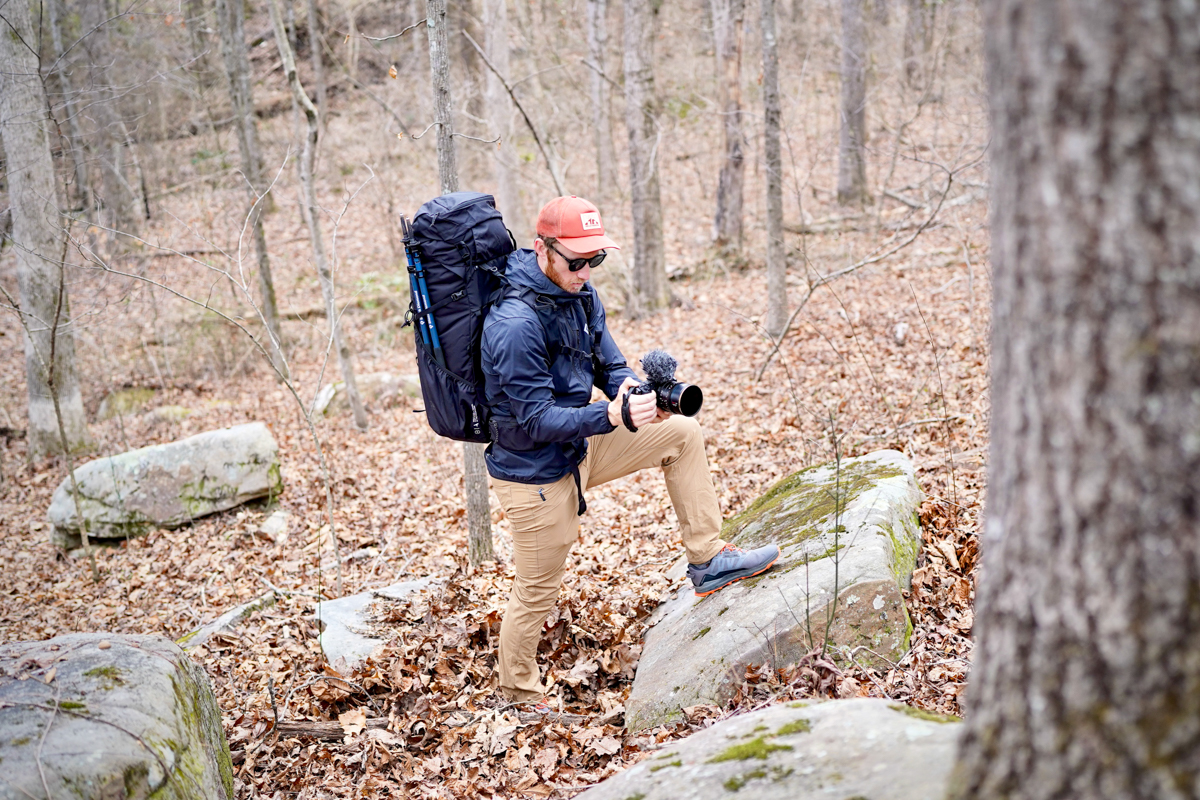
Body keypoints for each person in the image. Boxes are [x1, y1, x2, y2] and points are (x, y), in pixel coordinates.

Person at [481, 196, 780, 703]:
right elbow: (535, 420)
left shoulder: (580, 296)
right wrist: (611, 415)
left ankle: (707, 560)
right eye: (576, 260)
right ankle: (519, 695)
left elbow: (610, 365)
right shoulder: (513, 325)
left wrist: (637, 395)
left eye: (595, 258)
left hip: (578, 446)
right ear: (542, 250)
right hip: (532, 475)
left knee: (682, 434)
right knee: (536, 593)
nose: (586, 270)